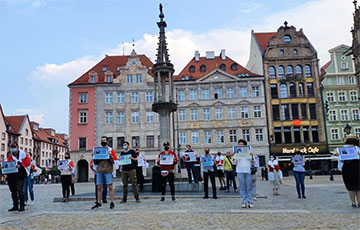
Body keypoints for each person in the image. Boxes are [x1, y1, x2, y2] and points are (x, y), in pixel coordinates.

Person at [91, 136, 118, 209]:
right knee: (99, 187)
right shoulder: (98, 150)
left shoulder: (110, 150)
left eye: (104, 140)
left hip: (108, 170)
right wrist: (93, 157)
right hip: (99, 170)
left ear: (107, 141)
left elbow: (114, 162)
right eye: (102, 140)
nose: (103, 142)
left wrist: (110, 156)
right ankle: (99, 202)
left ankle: (112, 202)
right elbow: (96, 162)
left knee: (110, 186)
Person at [4, 143, 31, 211]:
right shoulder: (10, 157)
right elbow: (7, 164)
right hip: (12, 176)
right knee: (13, 191)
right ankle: (15, 205)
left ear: (18, 147)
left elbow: (27, 163)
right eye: (12, 147)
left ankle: (22, 205)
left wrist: (21, 166)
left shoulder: (23, 155)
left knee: (20, 190)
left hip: (20, 175)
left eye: (14, 147)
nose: (13, 148)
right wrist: (4, 169)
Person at [335, 136, 360, 208]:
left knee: (350, 187)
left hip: (347, 167)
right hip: (356, 167)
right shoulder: (357, 148)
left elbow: (341, 160)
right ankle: (359, 202)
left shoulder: (341, 149)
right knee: (358, 187)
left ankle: (353, 202)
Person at [233, 139, 255, 208]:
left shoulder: (249, 151)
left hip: (248, 170)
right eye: (239, 145)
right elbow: (234, 163)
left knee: (249, 187)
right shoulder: (237, 152)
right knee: (242, 187)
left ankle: (250, 201)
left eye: (242, 145)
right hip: (240, 170)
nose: (240, 146)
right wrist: (234, 156)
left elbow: (253, 162)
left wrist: (252, 156)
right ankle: (243, 201)